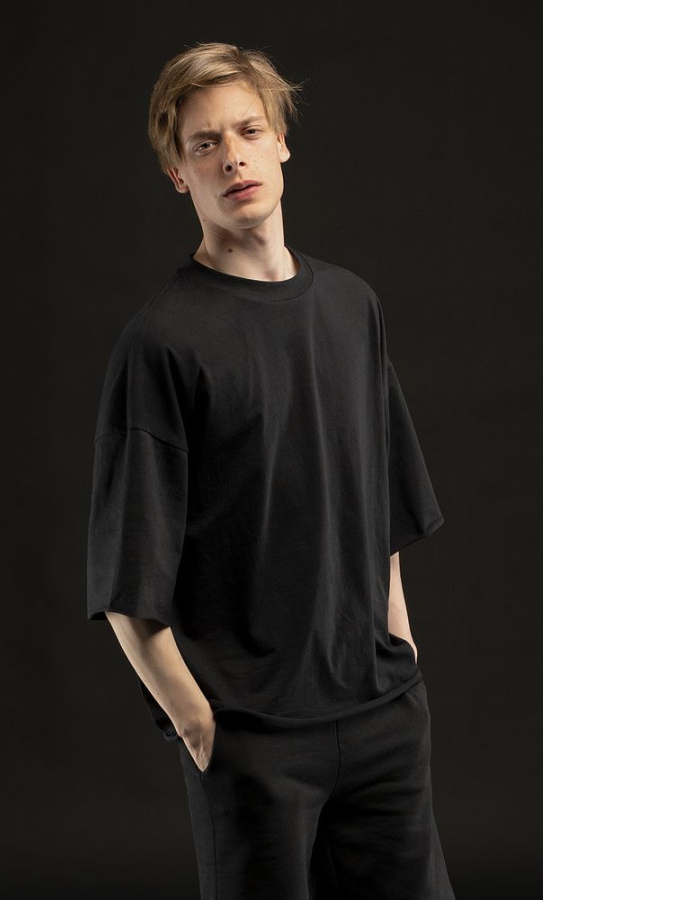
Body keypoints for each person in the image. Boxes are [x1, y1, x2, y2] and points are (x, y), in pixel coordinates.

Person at [86, 41, 457, 899]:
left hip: (382, 716)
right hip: (252, 741)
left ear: (282, 140)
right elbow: (125, 577)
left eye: (249, 131)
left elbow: (383, 508)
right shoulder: (163, 343)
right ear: (178, 174)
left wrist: (398, 650)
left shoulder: (352, 307)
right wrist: (200, 726)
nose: (233, 156)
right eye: (204, 143)